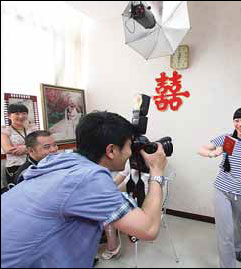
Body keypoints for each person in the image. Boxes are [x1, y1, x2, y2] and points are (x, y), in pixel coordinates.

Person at [1, 111, 167, 268]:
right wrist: (157, 170)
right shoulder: (89, 178)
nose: (131, 152)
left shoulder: (58, 161)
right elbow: (149, 229)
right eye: (129, 146)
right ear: (111, 150)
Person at [198, 107, 241, 268]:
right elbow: (201, 149)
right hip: (221, 190)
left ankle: (238, 247)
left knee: (237, 223)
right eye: (236, 120)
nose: (240, 124)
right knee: (225, 232)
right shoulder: (227, 139)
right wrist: (213, 153)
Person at [1, 103, 38, 189]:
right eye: (17, 113)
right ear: (9, 116)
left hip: (33, 164)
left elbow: (39, 145)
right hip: (15, 168)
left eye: (24, 113)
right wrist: (31, 148)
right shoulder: (5, 131)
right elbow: (8, 149)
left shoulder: (32, 129)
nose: (21, 116)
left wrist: (25, 148)